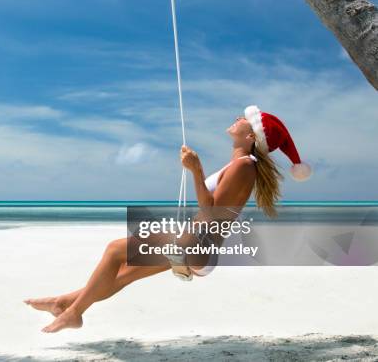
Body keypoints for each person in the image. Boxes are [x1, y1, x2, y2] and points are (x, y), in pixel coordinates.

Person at [24, 105, 311, 333]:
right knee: (122, 274)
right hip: (197, 247)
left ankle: (74, 314)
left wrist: (196, 171)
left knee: (115, 250)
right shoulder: (238, 164)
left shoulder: (244, 166)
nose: (238, 117)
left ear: (251, 136)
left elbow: (212, 212)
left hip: (198, 246)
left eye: (247, 119)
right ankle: (63, 303)